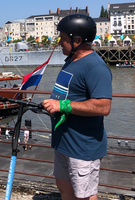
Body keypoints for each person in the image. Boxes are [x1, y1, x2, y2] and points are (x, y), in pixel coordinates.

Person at [42, 14, 112, 200]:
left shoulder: (95, 67)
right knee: (65, 190)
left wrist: (62, 105)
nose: (59, 43)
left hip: (82, 147)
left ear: (78, 40)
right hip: (63, 143)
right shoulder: (71, 61)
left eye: (63, 38)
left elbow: (103, 106)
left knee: (85, 196)